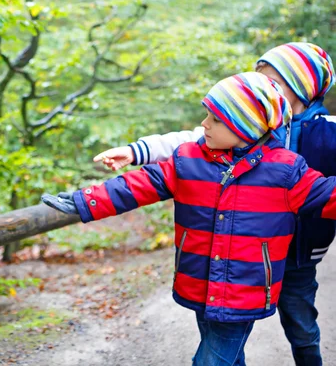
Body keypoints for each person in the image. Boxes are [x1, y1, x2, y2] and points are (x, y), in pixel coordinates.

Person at [41, 72, 336, 366]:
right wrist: (85, 201)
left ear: (246, 126)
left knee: (210, 361)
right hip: (200, 281)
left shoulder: (284, 172)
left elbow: (327, 195)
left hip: (243, 291)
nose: (205, 124)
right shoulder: (188, 159)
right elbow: (137, 186)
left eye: (216, 119)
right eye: (206, 115)